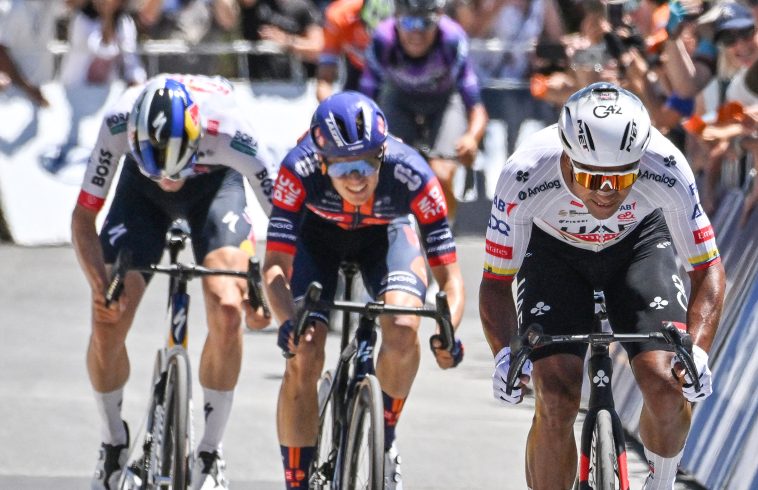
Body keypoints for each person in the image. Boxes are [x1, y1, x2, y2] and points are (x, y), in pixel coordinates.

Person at [479, 82, 725, 489]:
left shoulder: (666, 165)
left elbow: (707, 267)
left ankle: (661, 481)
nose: (606, 194)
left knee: (667, 384)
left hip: (639, 244)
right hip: (553, 252)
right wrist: (505, 353)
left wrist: (696, 351)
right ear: (566, 156)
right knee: (555, 396)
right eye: (591, 178)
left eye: (622, 177)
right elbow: (495, 280)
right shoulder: (524, 173)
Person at [71, 74, 275, 490]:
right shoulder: (117, 124)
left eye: (175, 169)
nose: (168, 178)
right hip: (139, 196)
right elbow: (82, 218)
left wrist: (266, 291)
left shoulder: (232, 131)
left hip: (214, 186)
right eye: (158, 169)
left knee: (227, 305)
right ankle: (113, 442)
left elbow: (287, 225)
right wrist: (99, 287)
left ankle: (210, 451)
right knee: (110, 316)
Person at [262, 91, 465, 490]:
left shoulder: (412, 172)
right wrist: (287, 321)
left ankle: (384, 437)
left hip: (385, 235)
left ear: (383, 154)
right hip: (315, 238)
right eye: (343, 168)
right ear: (322, 162)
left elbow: (451, 280)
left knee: (405, 328)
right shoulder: (297, 168)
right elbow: (273, 267)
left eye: (367, 164)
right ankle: (296, 480)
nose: (356, 178)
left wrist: (449, 330)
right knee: (304, 351)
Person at [359, 0, 488, 222]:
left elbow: (475, 106)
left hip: (444, 101)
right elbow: (366, 99)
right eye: (409, 22)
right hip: (399, 99)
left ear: (438, 19)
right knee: (388, 168)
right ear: (396, 20)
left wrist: (471, 138)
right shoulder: (383, 39)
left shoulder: (452, 39)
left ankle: (444, 232)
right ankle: (394, 229)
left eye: (425, 22)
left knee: (442, 173)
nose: (416, 31)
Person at [316, 0, 395, 101]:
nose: (371, 37)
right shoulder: (338, 17)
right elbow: (325, 78)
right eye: (369, 30)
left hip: (392, 72)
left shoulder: (406, 28)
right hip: (356, 69)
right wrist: (331, 107)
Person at [60, 0, 146, 86]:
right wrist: (107, 16)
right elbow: (103, 50)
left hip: (108, 91)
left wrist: (136, 81)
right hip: (75, 88)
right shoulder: (82, 19)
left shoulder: (125, 23)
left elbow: (132, 61)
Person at [239, 0, 324, 81]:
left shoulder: (302, 6)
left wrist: (287, 40)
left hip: (294, 84)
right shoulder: (257, 5)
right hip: (256, 84)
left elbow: (317, 47)